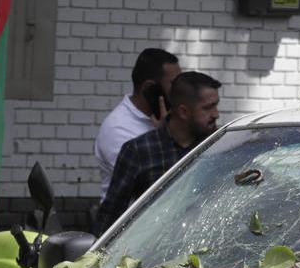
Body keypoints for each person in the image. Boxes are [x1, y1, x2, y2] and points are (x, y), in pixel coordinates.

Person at [96, 71, 221, 233]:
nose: (216, 114)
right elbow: (110, 216)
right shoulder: (140, 151)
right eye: (208, 108)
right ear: (183, 112)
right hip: (153, 251)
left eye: (216, 105)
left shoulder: (218, 146)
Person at [94, 47, 180, 200]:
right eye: (174, 85)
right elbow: (154, 187)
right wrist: (164, 136)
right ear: (149, 88)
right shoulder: (118, 128)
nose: (179, 92)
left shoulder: (166, 118)